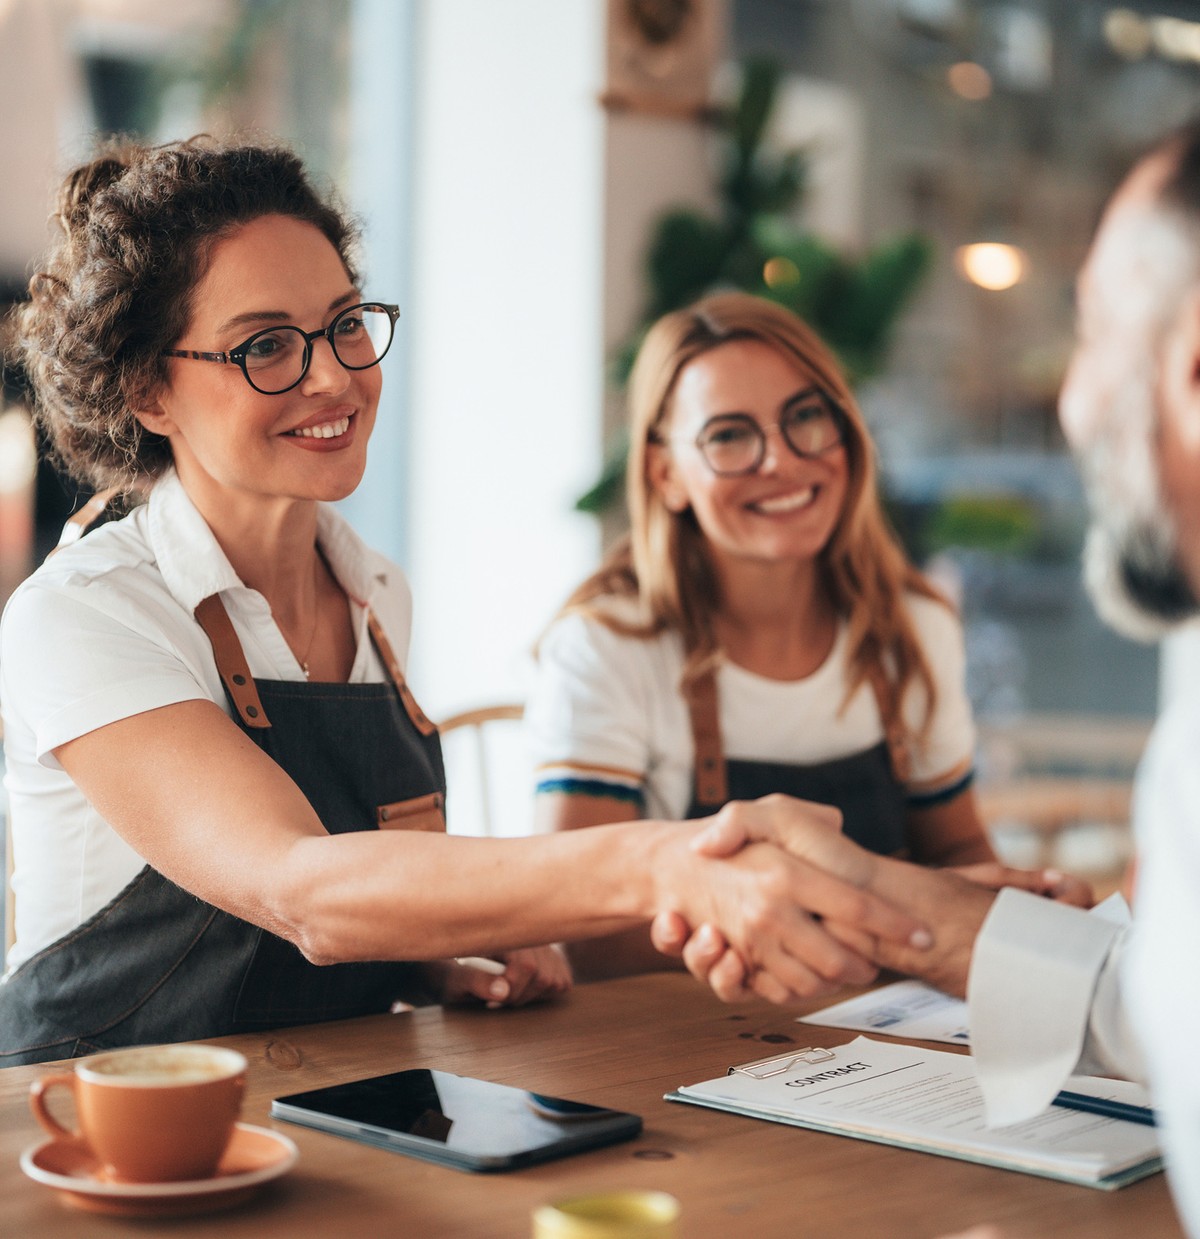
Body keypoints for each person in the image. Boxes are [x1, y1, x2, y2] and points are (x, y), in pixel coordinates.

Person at [0, 136, 938, 1066]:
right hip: (94, 1144)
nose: (333, 374)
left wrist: (435, 959)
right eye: (266, 347)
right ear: (147, 391)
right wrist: (665, 861)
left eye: (345, 323)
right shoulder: (85, 615)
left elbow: (354, 910)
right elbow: (301, 889)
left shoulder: (373, 592)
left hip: (326, 1111)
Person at [659, 123, 1200, 1237]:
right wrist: (870, 890)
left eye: (1094, 332)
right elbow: (1167, 1005)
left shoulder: (914, 625)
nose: (1069, 399)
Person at [525, 291, 1086, 980]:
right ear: (664, 473)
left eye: (806, 418)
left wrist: (1013, 902)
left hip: (878, 1038)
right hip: (678, 1042)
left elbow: (955, 848)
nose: (782, 461)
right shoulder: (609, 646)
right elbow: (584, 930)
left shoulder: (912, 626)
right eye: (730, 435)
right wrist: (883, 913)